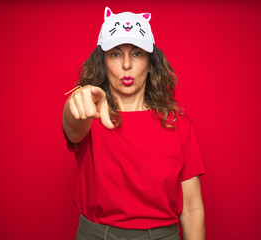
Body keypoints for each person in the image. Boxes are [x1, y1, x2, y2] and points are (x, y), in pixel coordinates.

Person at [62, 7, 207, 240]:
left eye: (137, 53)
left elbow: (191, 208)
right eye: (116, 54)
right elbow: (73, 125)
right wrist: (73, 104)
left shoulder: (179, 125)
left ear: (150, 64)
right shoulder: (90, 115)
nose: (127, 65)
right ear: (103, 62)